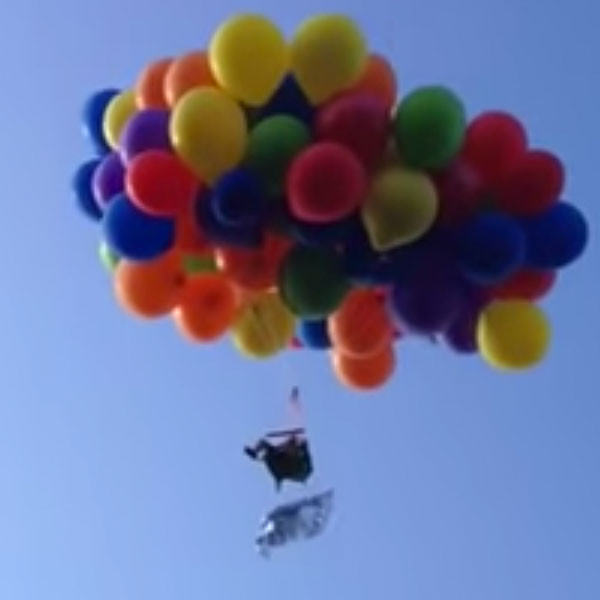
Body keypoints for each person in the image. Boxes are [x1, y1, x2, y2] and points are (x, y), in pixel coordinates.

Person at [244, 387, 313, 490]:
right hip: (292, 468)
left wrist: (295, 400)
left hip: (300, 469)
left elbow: (301, 447)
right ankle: (255, 451)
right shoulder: (281, 454)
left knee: (279, 448)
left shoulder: (298, 450)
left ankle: (257, 452)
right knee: (267, 447)